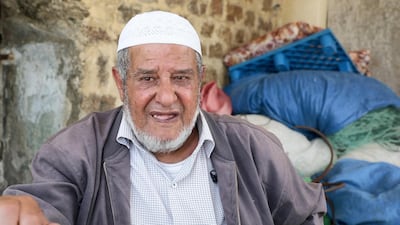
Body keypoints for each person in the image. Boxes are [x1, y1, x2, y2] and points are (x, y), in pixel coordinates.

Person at [0, 10, 326, 225]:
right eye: (147, 78)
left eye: (181, 78)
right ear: (120, 82)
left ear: (200, 81)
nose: (167, 97)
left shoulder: (252, 146)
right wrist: (25, 213)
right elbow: (43, 207)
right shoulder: (73, 151)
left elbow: (306, 215)